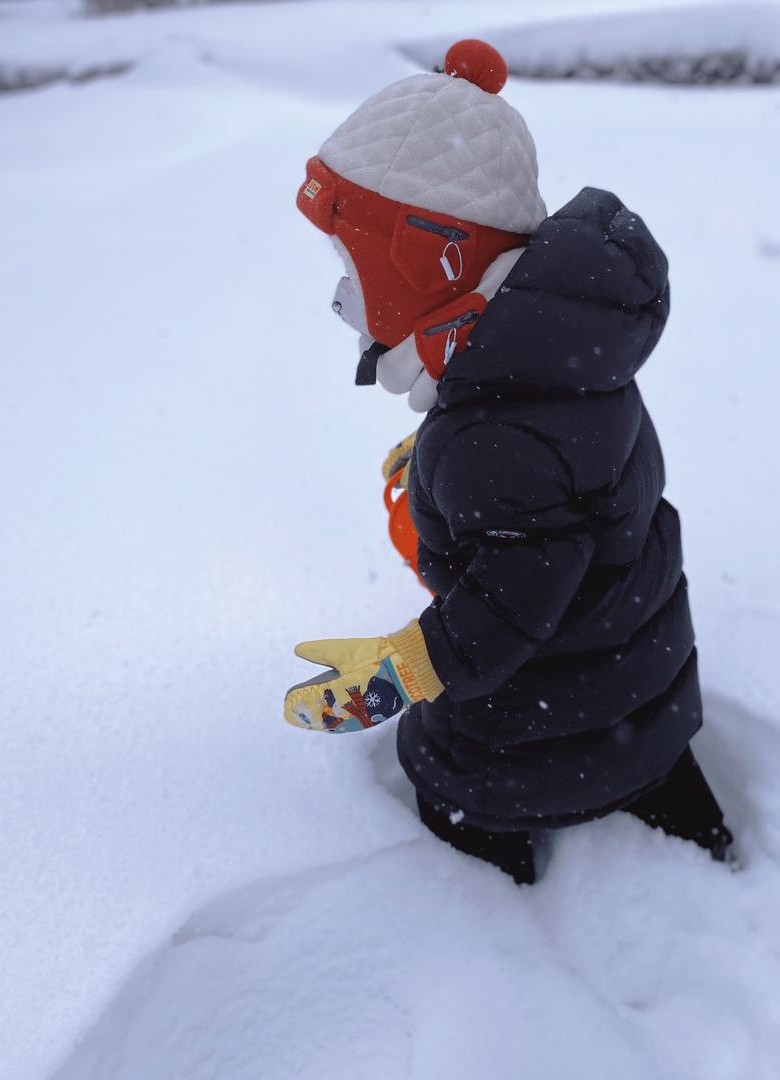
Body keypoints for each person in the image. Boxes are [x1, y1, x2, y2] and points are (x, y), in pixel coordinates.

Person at [285, 39, 734, 883]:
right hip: (646, 697)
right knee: (641, 753)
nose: (337, 295)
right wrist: (442, 466)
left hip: (532, 745)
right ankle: (691, 818)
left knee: (450, 776)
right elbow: (569, 490)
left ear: (432, 263)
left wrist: (404, 669)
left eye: (352, 267)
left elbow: (509, 609)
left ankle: (490, 906)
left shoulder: (494, 444)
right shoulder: (574, 357)